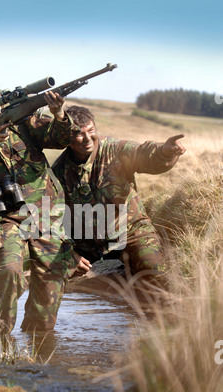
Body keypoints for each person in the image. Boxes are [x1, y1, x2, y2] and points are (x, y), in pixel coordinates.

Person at [0, 74, 83, 339]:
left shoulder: (26, 121)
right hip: (8, 216)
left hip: (46, 213)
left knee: (51, 279)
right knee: (10, 271)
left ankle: (39, 343)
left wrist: (59, 113)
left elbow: (61, 139)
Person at [52, 105, 186, 289]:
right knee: (54, 274)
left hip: (131, 232)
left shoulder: (116, 150)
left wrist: (164, 151)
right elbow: (54, 219)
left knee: (155, 274)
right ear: (66, 136)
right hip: (88, 242)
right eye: (79, 134)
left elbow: (144, 153)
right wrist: (69, 254)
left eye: (91, 131)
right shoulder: (58, 171)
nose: (87, 138)